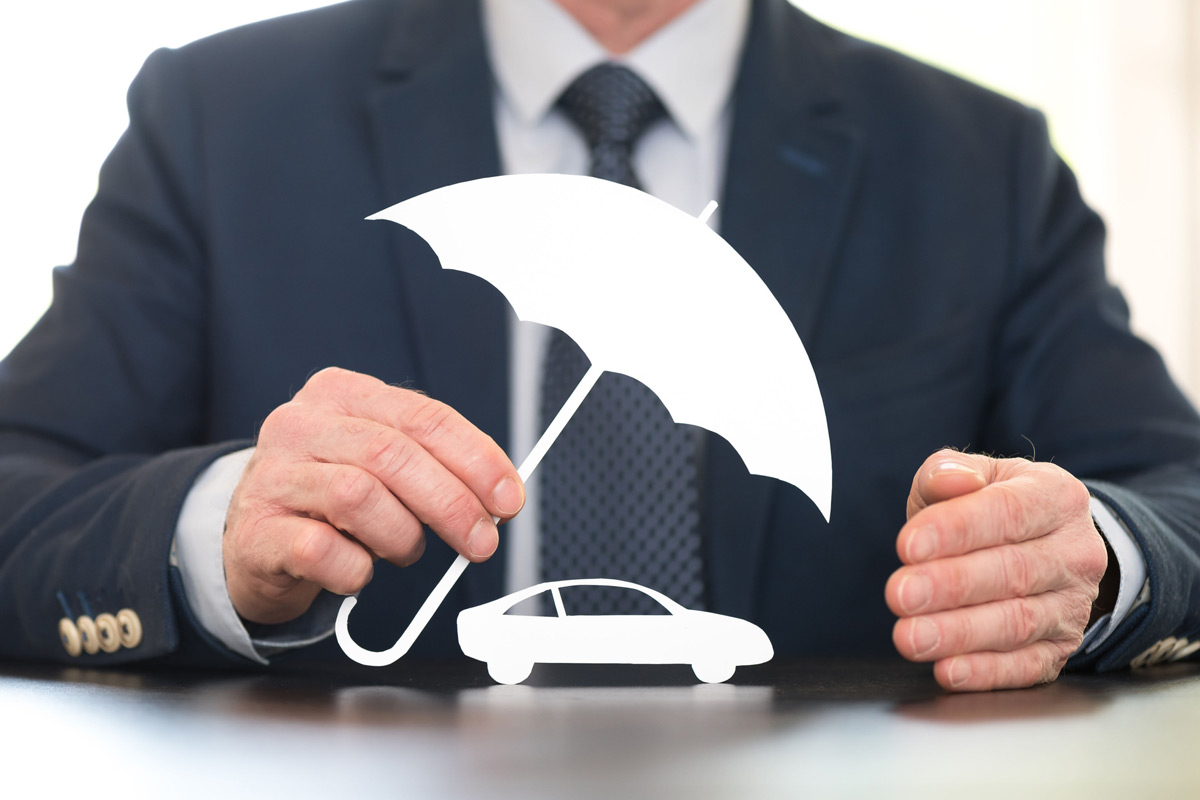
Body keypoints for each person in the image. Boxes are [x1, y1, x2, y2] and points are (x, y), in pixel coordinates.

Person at [1, 0, 1198, 691]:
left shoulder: (974, 160)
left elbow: (1179, 496)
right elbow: (18, 488)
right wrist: (220, 523)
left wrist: (1090, 557)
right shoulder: (222, 119)